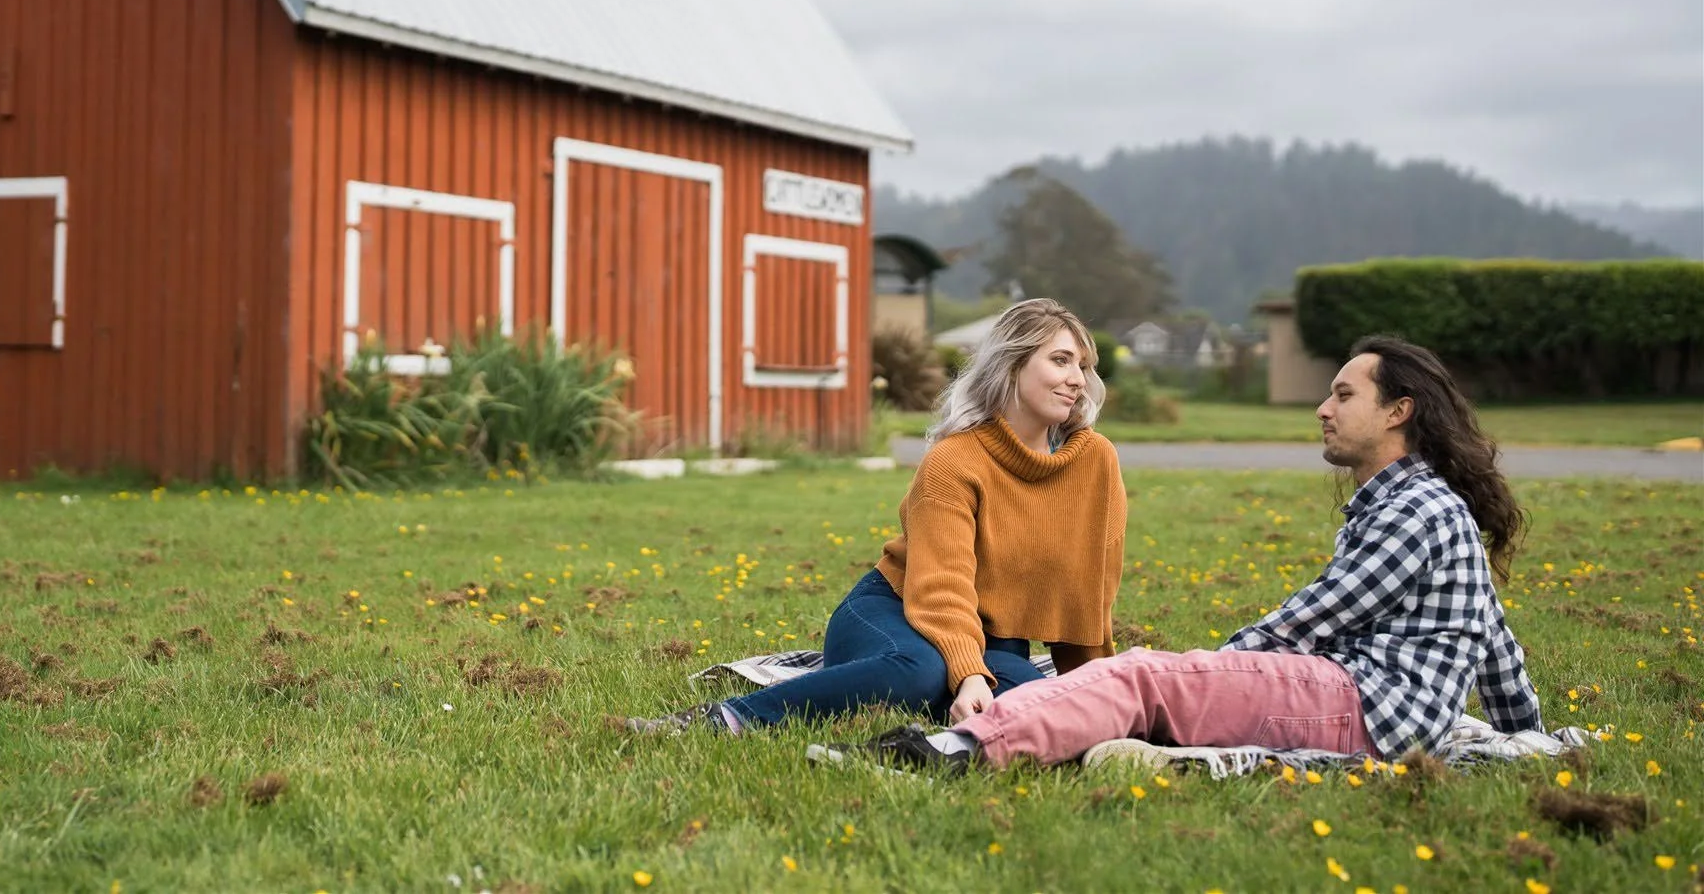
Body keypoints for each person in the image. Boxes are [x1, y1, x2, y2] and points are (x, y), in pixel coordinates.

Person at [816, 335, 1542, 774]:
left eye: (1344, 395)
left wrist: (1206, 671)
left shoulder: (1414, 510)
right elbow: (1494, 639)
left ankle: (955, 750)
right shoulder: (1424, 503)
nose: (1323, 408)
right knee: (1140, 681)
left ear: (1398, 411)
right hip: (1374, 707)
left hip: (1358, 706)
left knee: (1145, 678)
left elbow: (1310, 620)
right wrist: (1526, 734)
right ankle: (991, 733)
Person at [626, 298, 1126, 735]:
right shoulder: (955, 461)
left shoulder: (1095, 462)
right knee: (920, 671)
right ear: (1011, 365)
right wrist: (968, 672)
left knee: (1038, 700)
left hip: (996, 642)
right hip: (896, 609)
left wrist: (1091, 690)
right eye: (1060, 360)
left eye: (1083, 366)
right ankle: (729, 718)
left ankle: (896, 696)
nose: (1077, 380)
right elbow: (942, 585)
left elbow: (1088, 593)